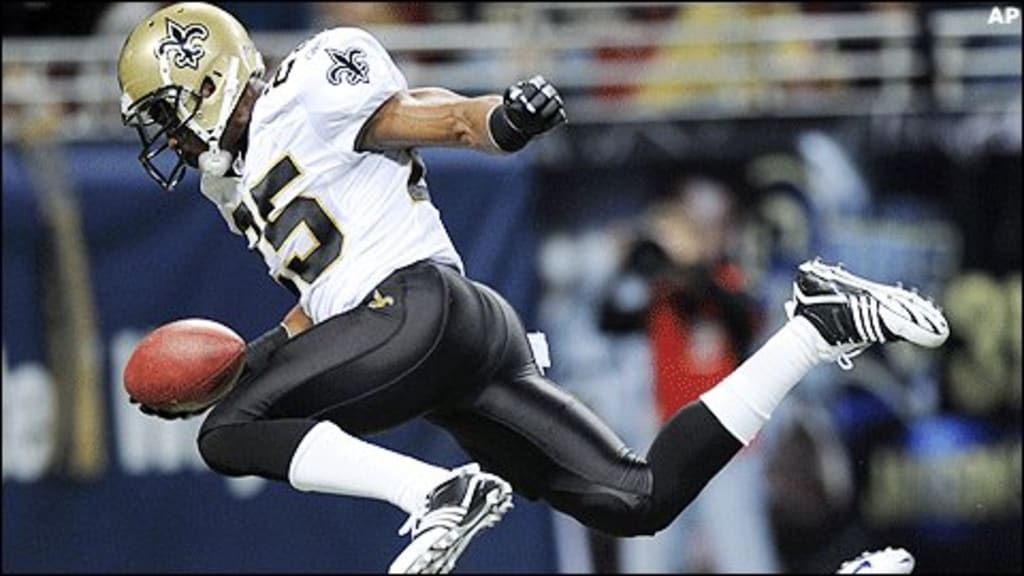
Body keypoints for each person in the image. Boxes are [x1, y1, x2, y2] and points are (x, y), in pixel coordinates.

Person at [116, 3, 950, 574]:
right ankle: (816, 325)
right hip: (453, 339)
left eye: (163, 111)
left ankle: (434, 491)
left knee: (229, 432)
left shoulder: (306, 87)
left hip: (418, 314)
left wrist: (496, 120)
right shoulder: (229, 189)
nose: (164, 136)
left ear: (207, 80)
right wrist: (253, 358)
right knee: (635, 500)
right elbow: (322, 301)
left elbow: (427, 115)